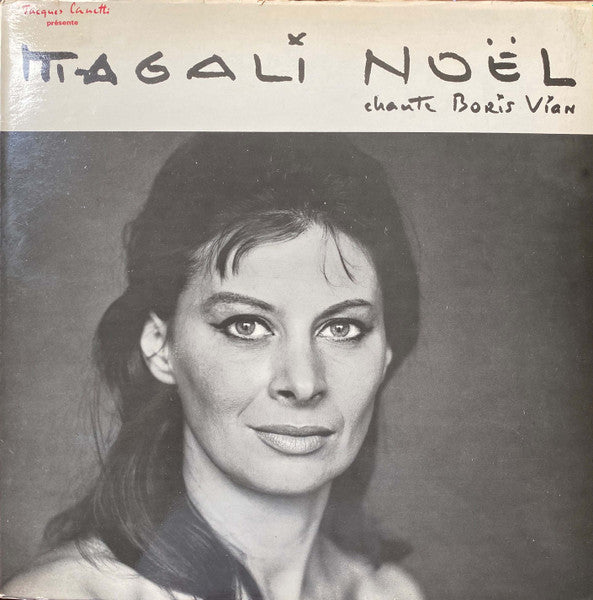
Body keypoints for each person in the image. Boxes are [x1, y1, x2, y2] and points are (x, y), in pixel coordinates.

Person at [2, 134, 422, 600]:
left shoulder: (389, 593)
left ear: (387, 351)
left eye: (342, 328)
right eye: (246, 326)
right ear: (160, 345)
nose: (303, 383)